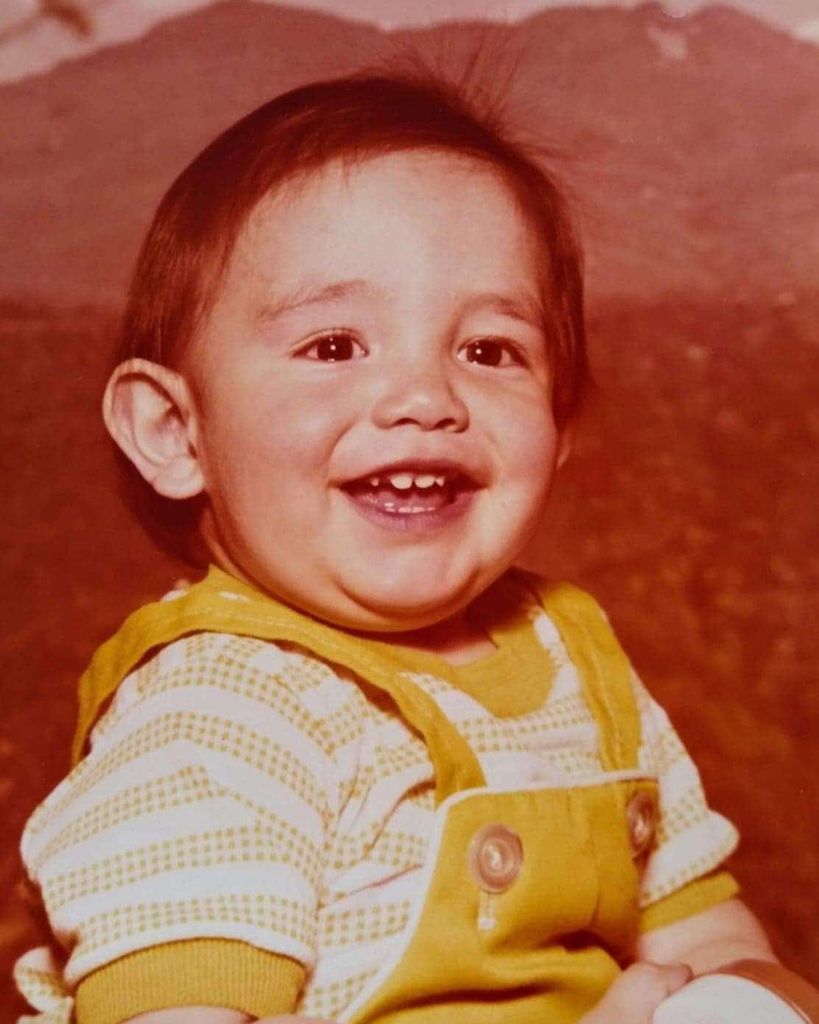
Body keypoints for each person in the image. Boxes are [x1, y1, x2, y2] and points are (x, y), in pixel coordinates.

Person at [15, 71, 784, 1024]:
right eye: (335, 346)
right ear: (177, 431)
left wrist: (748, 999)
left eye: (489, 350)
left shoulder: (573, 660)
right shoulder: (212, 718)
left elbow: (706, 931)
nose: (427, 397)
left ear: (560, 426)